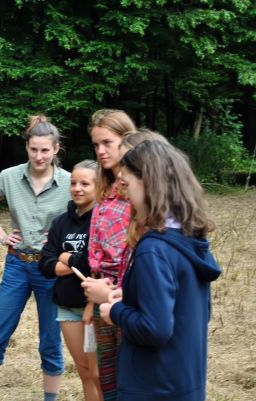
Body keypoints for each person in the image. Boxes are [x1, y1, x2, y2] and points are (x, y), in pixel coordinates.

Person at [99, 140, 221, 400]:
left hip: (153, 386)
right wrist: (133, 300)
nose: (125, 195)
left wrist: (116, 311)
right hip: (185, 383)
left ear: (147, 182)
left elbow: (155, 329)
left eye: (127, 183)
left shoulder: (153, 249)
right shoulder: (191, 239)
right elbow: (195, 310)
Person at [0, 115, 70, 401]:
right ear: (27, 148)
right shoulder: (9, 176)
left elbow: (85, 220)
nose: (39, 156)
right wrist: (2, 235)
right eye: (34, 149)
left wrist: (62, 242)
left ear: (56, 150)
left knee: (50, 342)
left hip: (50, 269)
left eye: (45, 150)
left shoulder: (69, 182)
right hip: (17, 265)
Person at [81, 109, 136, 401]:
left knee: (132, 375)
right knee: (108, 378)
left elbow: (140, 252)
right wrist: (92, 299)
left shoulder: (139, 191)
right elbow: (97, 253)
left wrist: (117, 294)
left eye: (107, 143)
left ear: (125, 141)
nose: (101, 151)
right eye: (96, 145)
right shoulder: (103, 190)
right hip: (101, 297)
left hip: (129, 298)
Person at [39, 160, 101, 401]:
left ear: (99, 186)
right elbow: (45, 264)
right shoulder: (60, 222)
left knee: (98, 373)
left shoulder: (102, 221)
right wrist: (75, 261)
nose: (78, 188)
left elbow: (94, 262)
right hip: (66, 307)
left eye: (85, 183)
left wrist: (64, 257)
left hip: (94, 307)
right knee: (84, 371)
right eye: (74, 183)